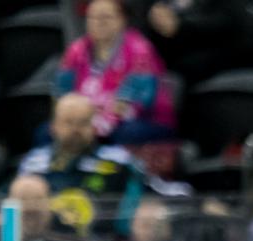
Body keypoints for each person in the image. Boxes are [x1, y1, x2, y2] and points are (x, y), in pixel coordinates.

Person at [18, 94, 184, 239]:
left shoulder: (118, 162)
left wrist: (196, 201)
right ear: (53, 127)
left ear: (94, 126)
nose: (76, 130)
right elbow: (4, 206)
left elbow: (159, 190)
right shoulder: (33, 164)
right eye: (69, 122)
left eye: (83, 123)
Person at [54, 0, 176, 145]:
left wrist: (97, 122)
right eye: (93, 17)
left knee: (124, 133)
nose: (99, 23)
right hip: (87, 121)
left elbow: (137, 102)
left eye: (106, 17)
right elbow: (62, 93)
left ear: (122, 20)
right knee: (47, 133)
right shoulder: (76, 50)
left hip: (143, 121)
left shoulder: (140, 50)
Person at [142, 0, 252, 85]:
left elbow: (226, 21)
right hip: (190, 43)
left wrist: (180, 25)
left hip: (225, 50)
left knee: (181, 67)